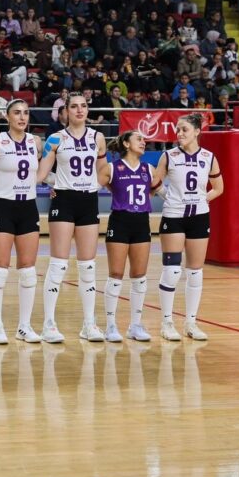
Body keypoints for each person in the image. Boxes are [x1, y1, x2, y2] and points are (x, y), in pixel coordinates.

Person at [35, 93, 109, 343]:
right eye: (74, 107)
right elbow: (42, 172)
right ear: (65, 111)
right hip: (64, 201)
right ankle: (49, 324)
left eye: (84, 106)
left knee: (88, 266)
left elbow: (103, 170)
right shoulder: (56, 138)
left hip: (88, 201)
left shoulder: (98, 137)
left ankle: (89, 324)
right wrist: (55, 182)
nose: (80, 110)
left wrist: (95, 186)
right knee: (58, 264)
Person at [0, 99, 43, 344]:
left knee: (28, 271)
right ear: (7, 116)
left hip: (29, 207)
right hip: (4, 207)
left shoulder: (36, 142)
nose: (22, 117)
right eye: (17, 113)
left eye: (25, 113)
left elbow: (41, 173)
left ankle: (24, 326)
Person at [152, 113, 224, 341]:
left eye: (184, 129)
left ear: (197, 131)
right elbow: (153, 184)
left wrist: (203, 200)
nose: (179, 134)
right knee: (172, 270)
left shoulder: (209, 157)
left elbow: (219, 188)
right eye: (177, 130)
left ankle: (191, 323)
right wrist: (168, 197)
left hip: (199, 217)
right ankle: (167, 323)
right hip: (174, 216)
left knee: (195, 272)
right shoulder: (168, 156)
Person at [98, 130, 153, 343]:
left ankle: (135, 325)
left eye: (144, 139)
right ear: (127, 144)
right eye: (139, 139)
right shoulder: (112, 168)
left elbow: (157, 189)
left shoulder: (149, 168)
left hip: (141, 222)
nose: (144, 142)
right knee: (116, 274)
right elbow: (93, 186)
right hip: (120, 221)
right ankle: (111, 325)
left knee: (139, 275)